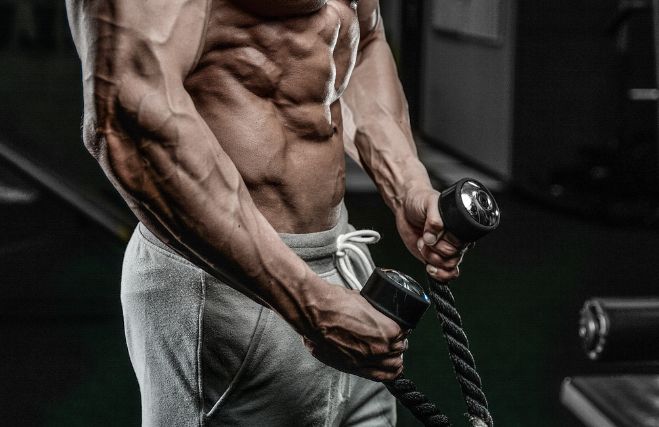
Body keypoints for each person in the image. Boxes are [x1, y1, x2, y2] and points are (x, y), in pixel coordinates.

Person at [66, 0, 468, 425]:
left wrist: (405, 180)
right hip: (221, 282)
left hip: (344, 269)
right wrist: (312, 308)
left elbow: (360, 38)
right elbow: (132, 116)